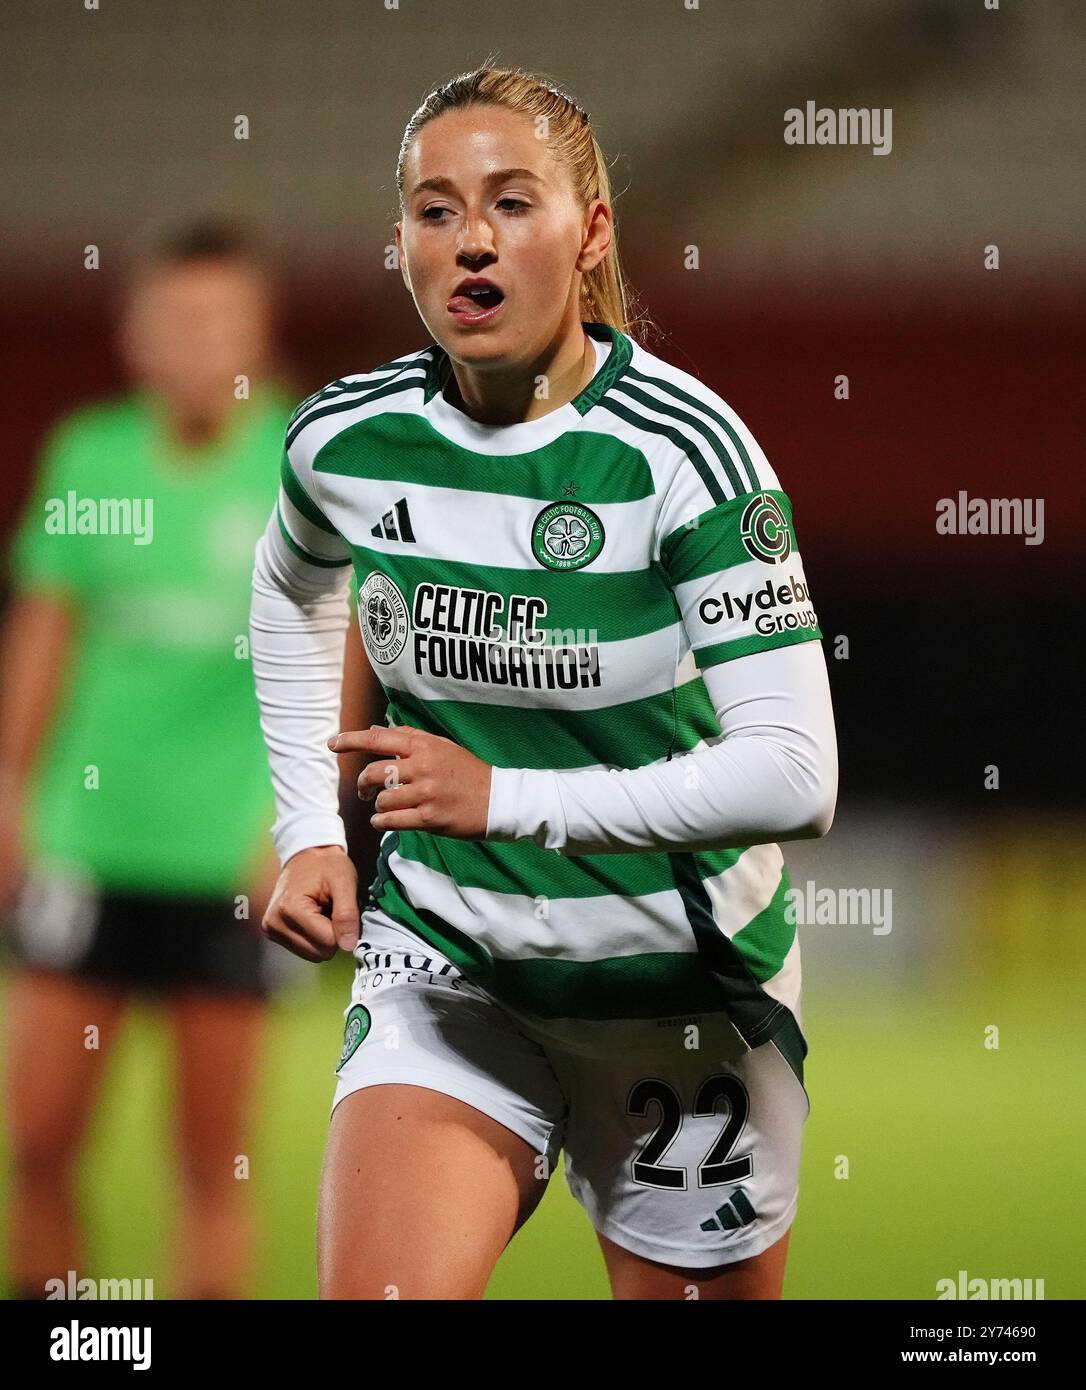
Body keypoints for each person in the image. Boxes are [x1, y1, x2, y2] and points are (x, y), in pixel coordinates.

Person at [251, 65, 838, 1301]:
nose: (471, 241)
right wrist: (311, 829)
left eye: (513, 204)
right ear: (401, 242)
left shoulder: (689, 455)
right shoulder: (343, 443)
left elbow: (797, 771)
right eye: (434, 209)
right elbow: (293, 589)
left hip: (674, 993)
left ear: (591, 235)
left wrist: (505, 798)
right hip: (449, 968)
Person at [0, 219, 300, 1300]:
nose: (195, 338)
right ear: (134, 333)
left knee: (210, 1163)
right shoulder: (91, 455)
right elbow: (45, 634)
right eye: (175, 317)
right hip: (88, 845)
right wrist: (11, 794)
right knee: (37, 1142)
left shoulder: (298, 463)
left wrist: (298, 830)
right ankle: (80, 1331)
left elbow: (340, 654)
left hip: (228, 862)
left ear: (259, 334)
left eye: (219, 317)